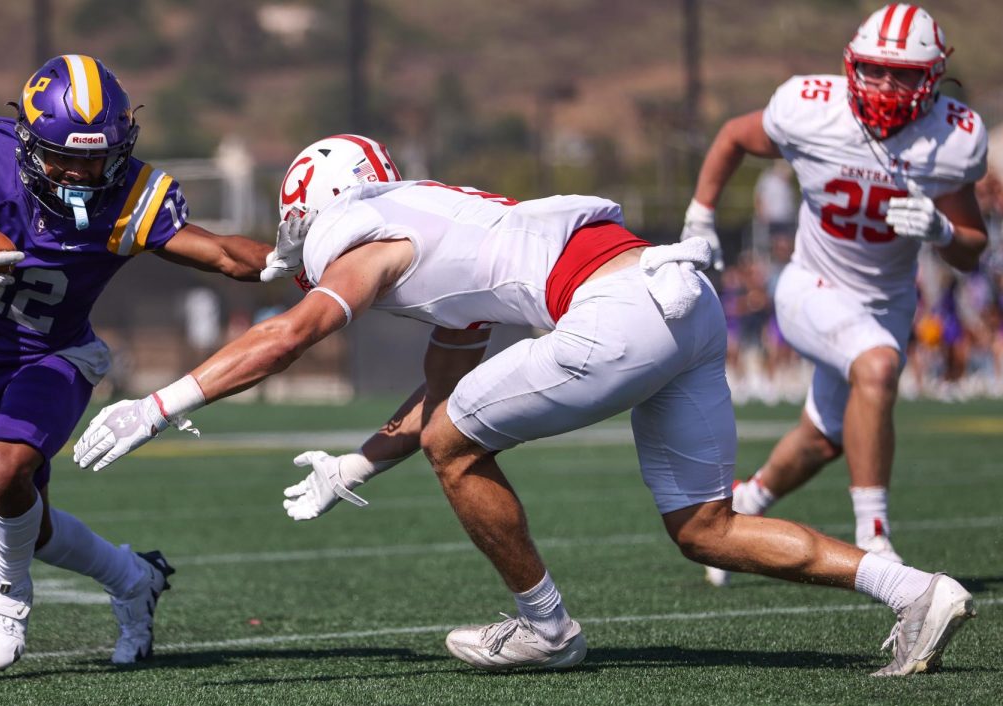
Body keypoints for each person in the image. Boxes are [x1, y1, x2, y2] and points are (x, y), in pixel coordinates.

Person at [73, 133, 975, 676]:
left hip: (620, 308)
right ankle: (916, 590)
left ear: (319, 205)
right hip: (679, 297)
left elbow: (294, 332)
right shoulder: (435, 221)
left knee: (459, 445)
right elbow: (438, 391)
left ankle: (546, 628)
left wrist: (158, 406)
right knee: (704, 527)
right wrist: (356, 461)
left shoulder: (362, 233)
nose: (298, 243)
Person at [0, 55, 271, 671]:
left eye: (95, 157)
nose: (82, 172)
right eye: (64, 156)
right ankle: (134, 577)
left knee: (7, 468)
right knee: (20, 513)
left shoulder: (131, 196)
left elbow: (221, 254)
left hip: (62, 354)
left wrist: (307, 258)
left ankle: (7, 595)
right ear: (26, 141)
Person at [679, 4, 988, 586]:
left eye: (904, 74)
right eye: (873, 69)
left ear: (934, 77)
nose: (886, 85)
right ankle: (876, 541)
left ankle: (745, 502)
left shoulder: (953, 137)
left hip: (887, 300)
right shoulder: (810, 108)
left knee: (825, 439)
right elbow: (732, 137)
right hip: (810, 284)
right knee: (876, 367)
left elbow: (971, 249)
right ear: (851, 64)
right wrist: (700, 216)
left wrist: (943, 230)